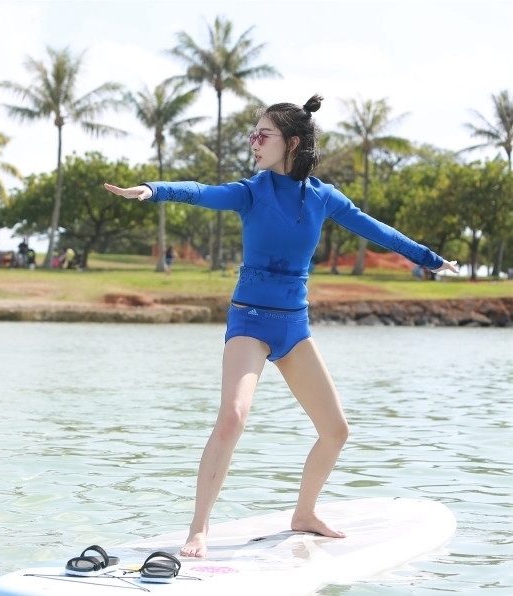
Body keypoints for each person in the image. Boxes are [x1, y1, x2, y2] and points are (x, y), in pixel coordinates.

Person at [104, 94, 458, 558]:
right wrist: (153, 189)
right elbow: (199, 191)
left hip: (294, 327)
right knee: (232, 417)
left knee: (336, 430)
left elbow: (378, 231)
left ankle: (304, 513)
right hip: (249, 320)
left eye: (262, 134)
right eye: (252, 133)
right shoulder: (251, 191)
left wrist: (431, 261)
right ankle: (198, 529)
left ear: (291, 142)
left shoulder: (323, 198)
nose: (253, 141)